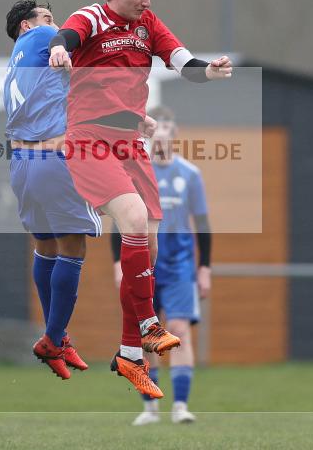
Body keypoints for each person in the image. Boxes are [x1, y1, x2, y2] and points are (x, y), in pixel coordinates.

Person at [48, 0, 231, 398]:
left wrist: (206, 71)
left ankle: (130, 355)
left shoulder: (148, 26)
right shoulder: (91, 16)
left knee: (148, 239)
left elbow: (181, 59)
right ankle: (149, 324)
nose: (147, 1)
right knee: (130, 220)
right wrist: (58, 47)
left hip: (130, 142)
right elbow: (70, 35)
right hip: (89, 139)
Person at [3, 0, 100, 380]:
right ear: (27, 26)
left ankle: (55, 336)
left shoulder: (15, 60)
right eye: (46, 18)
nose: (54, 24)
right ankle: (54, 337)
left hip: (21, 163)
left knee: (45, 247)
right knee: (74, 246)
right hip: (53, 157)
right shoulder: (44, 36)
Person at [111, 106, 211, 425]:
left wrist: (204, 267)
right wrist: (117, 263)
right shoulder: (137, 171)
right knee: (147, 336)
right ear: (149, 132)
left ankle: (180, 406)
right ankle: (149, 407)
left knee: (179, 330)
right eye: (159, 125)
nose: (164, 131)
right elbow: (122, 219)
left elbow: (204, 224)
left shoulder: (190, 174)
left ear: (175, 132)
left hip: (180, 265)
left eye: (169, 125)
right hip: (145, 264)